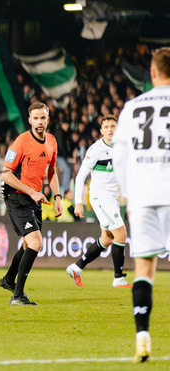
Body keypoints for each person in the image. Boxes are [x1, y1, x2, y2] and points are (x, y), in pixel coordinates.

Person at [112, 47, 170, 363]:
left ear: (153, 72)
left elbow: (120, 156)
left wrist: (129, 192)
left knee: (144, 269)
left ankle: (142, 338)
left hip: (144, 196)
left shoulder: (133, 107)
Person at [0, 102, 63, 306]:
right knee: (36, 243)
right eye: (35, 118)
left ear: (48, 119)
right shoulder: (21, 142)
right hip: (17, 196)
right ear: (30, 120)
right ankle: (17, 296)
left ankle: (9, 279)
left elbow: (51, 172)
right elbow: (6, 174)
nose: (39, 122)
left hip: (34, 198)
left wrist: (57, 196)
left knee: (28, 245)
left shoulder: (51, 141)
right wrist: (32, 192)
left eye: (42, 118)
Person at [66, 115, 132, 288]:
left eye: (113, 126)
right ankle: (118, 278)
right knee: (121, 233)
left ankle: (76, 267)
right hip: (100, 197)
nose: (110, 129)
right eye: (107, 127)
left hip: (113, 196)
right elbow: (80, 177)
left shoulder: (122, 148)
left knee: (107, 238)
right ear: (101, 131)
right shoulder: (96, 149)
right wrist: (78, 202)